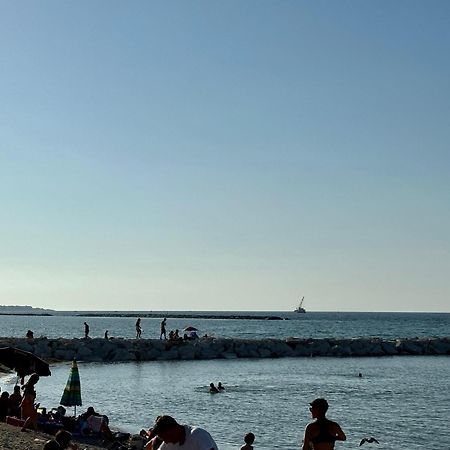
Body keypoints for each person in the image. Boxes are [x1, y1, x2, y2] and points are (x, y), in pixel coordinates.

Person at [152, 415, 218, 450]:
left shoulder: (198, 435)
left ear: (174, 429)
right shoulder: (168, 442)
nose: (166, 442)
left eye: (166, 437)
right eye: (163, 439)